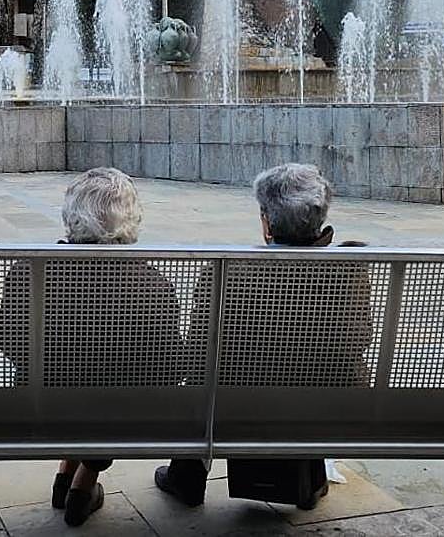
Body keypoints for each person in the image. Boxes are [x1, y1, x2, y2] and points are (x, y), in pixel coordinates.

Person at [154, 163, 373, 509]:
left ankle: (187, 476)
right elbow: (354, 344)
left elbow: (197, 358)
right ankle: (310, 481)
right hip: (329, 409)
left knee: (206, 382)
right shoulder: (350, 270)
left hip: (232, 409)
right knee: (316, 372)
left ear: (268, 224)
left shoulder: (227, 271)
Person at [0, 168, 180, 527]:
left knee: (77, 385)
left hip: (41, 409)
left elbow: (8, 341)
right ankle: (82, 484)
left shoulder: (27, 273)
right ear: (131, 218)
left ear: (70, 216)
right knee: (116, 391)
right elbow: (169, 369)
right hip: (127, 414)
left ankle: (69, 473)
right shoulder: (154, 285)